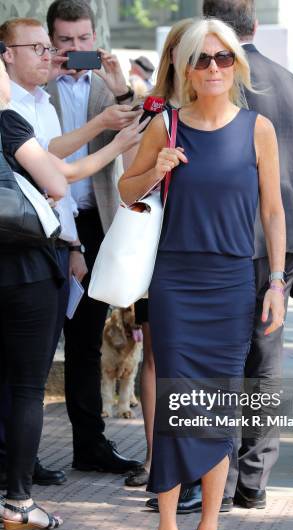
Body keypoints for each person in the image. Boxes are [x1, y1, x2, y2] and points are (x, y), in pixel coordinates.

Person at [119, 17, 285, 530]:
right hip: (176, 281)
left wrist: (278, 283)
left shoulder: (258, 127)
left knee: (214, 413)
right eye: (201, 59)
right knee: (173, 410)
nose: (212, 68)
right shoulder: (165, 125)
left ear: (236, 64)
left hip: (233, 281)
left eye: (222, 58)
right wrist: (156, 166)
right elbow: (125, 190)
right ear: (184, 67)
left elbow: (273, 212)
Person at [0, 16, 143, 490]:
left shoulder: (44, 97)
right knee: (25, 373)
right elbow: (54, 172)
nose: (55, 55)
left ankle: (45, 458)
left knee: (73, 348)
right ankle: (17, 479)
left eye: (80, 41)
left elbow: (55, 156)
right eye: (46, 45)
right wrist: (109, 139)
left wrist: (75, 242)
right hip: (26, 244)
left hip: (69, 234)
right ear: (8, 55)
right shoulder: (14, 107)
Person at [202, 0, 293, 511]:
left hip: (230, 234)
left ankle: (218, 475)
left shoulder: (221, 77)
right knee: (265, 358)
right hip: (283, 237)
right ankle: (254, 479)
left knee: (223, 356)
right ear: (256, 26)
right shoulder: (288, 81)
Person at [45, 0, 142, 473]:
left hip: (95, 221)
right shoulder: (32, 85)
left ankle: (90, 444)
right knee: (37, 341)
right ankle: (18, 452)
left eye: (84, 39)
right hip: (43, 224)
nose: (76, 49)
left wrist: (121, 87)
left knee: (86, 339)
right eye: (65, 41)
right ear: (50, 41)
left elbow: (142, 136)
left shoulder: (107, 88)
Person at [0, 53, 67, 530]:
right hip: (24, 273)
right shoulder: (9, 123)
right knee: (25, 389)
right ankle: (18, 503)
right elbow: (57, 183)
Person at [126, 18, 193, 491]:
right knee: (156, 356)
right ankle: (156, 459)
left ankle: (199, 462)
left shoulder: (231, 111)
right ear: (172, 56)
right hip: (154, 247)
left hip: (207, 254)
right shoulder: (155, 112)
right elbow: (127, 183)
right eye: (188, 52)